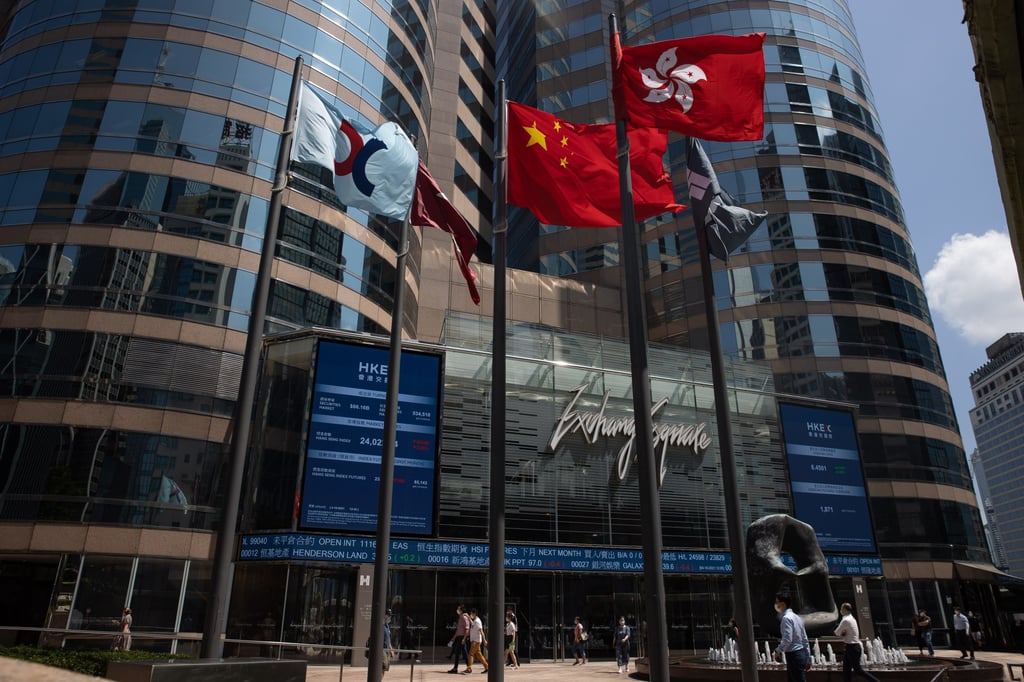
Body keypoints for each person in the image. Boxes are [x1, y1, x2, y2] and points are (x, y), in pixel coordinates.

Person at [834, 602, 879, 682]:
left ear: (845, 610)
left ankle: (876, 681)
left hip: (851, 648)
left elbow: (837, 632)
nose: (840, 610)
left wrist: (842, 633)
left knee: (857, 670)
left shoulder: (845, 620)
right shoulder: (852, 618)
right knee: (847, 671)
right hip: (853, 647)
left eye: (841, 609)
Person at [772, 594, 810, 682]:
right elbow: (804, 639)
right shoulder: (797, 617)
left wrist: (778, 650)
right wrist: (807, 657)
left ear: (783, 604)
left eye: (777, 602)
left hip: (793, 655)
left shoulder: (786, 618)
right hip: (800, 653)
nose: (776, 604)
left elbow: (787, 639)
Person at [448, 605, 471, 673]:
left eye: (458, 609)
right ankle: (457, 668)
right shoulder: (460, 617)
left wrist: (464, 638)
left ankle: (468, 668)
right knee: (459, 653)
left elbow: (467, 629)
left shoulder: (464, 617)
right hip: (459, 637)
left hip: (462, 637)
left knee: (463, 653)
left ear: (461, 610)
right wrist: (453, 638)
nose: (457, 610)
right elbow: (458, 630)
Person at [465, 607, 488, 674]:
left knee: (471, 654)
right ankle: (486, 666)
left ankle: (469, 668)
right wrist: (468, 617)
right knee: (479, 655)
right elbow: (472, 623)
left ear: (474, 614)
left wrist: (484, 640)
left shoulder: (477, 621)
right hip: (475, 640)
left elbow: (481, 631)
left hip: (476, 641)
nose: (470, 615)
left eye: (471, 613)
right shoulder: (475, 621)